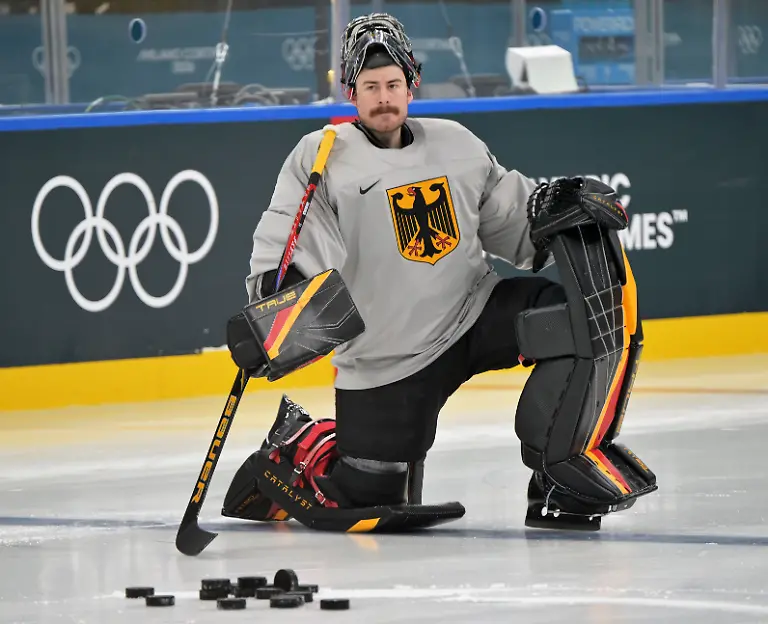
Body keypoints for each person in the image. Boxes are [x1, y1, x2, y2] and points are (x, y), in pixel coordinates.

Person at [222, 13, 656, 531]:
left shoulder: (456, 144)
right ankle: (299, 445)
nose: (384, 98)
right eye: (370, 87)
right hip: (389, 356)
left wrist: (554, 207)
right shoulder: (323, 156)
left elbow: (513, 222)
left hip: (475, 313)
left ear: (412, 85)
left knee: (575, 320)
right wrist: (274, 303)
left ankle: (557, 476)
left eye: (393, 85)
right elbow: (289, 237)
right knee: (369, 491)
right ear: (351, 92)